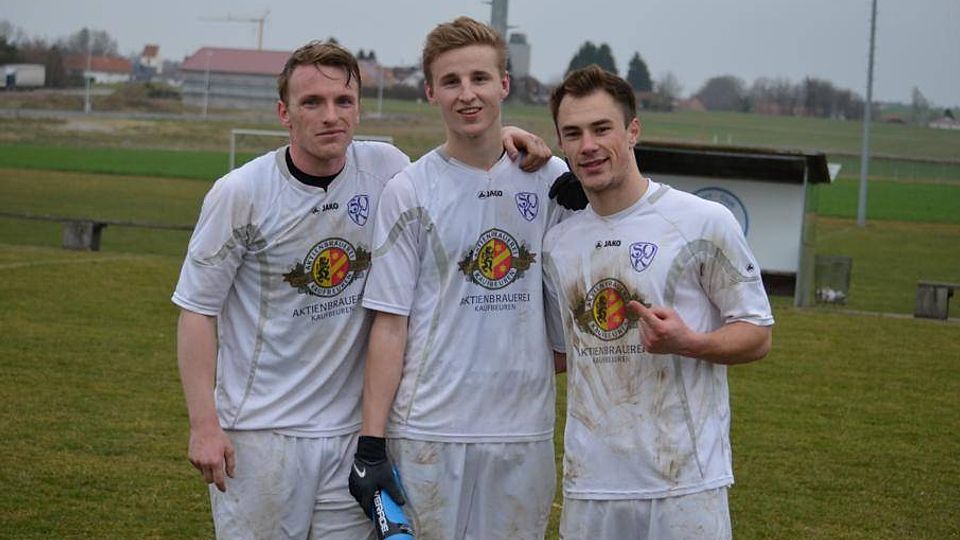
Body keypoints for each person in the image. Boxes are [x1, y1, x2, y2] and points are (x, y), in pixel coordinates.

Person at [172, 40, 552, 540]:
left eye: (343, 101)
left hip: (353, 435)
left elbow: (456, 166)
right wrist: (204, 423)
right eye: (312, 103)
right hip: (261, 434)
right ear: (285, 113)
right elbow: (197, 311)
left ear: (359, 109)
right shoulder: (241, 193)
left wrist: (504, 136)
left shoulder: (386, 169)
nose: (330, 116)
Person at [348, 17, 569, 540]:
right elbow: (390, 323)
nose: (467, 94)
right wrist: (371, 444)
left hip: (523, 433)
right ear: (430, 92)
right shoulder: (409, 190)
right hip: (429, 430)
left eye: (480, 78)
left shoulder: (552, 180)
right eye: (451, 82)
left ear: (504, 84)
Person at [543, 65, 774, 539]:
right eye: (574, 133)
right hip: (590, 485)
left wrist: (690, 342)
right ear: (561, 144)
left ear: (633, 131)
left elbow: (757, 334)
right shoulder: (558, 244)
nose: (588, 146)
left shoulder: (702, 221)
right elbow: (561, 354)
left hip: (684, 483)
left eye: (602, 128)